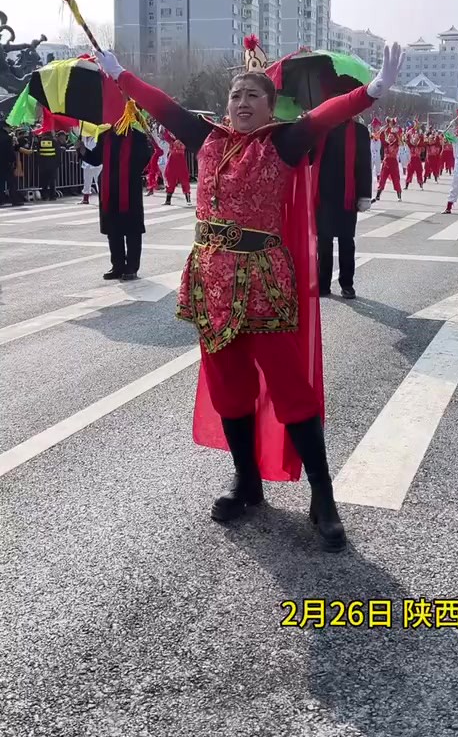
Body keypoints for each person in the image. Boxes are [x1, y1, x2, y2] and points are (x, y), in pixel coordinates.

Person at [94, 44, 400, 552]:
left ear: (270, 104)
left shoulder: (282, 143)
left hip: (262, 278)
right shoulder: (206, 139)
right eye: (235, 93)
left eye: (252, 94)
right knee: (228, 386)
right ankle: (247, 481)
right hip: (209, 279)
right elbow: (163, 105)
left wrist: (371, 93)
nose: (240, 100)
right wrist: (122, 75)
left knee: (289, 388)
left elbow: (323, 118)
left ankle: (323, 495)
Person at [77, 122, 153, 281]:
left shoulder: (137, 137)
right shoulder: (105, 136)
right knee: (113, 230)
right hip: (109, 187)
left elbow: (145, 160)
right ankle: (117, 265)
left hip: (129, 187)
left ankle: (132, 266)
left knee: (132, 230)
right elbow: (96, 159)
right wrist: (82, 149)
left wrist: (148, 147)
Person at [314, 114, 372, 299]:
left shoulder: (359, 131)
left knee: (347, 241)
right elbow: (308, 158)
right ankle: (323, 283)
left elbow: (364, 165)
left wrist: (364, 195)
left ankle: (347, 284)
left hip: (348, 194)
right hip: (322, 193)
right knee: (323, 241)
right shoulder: (319, 129)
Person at [374, 118, 402, 201]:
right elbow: (380, 134)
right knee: (382, 179)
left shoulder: (396, 143)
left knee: (396, 179)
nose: (390, 137)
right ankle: (378, 195)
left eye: (391, 136)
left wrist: (394, 131)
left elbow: (399, 139)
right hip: (386, 163)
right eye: (389, 136)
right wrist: (387, 125)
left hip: (393, 163)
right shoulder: (386, 144)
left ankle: (399, 195)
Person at [164, 133, 192, 205]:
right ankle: (168, 200)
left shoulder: (183, 137)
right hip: (172, 160)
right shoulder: (170, 136)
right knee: (170, 178)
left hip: (180, 160)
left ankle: (188, 199)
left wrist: (178, 142)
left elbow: (184, 147)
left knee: (184, 179)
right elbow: (165, 136)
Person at [32, 129, 60, 201]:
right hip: (52, 164)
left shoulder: (40, 142)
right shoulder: (54, 142)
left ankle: (44, 195)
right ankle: (52, 196)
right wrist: (58, 163)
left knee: (44, 181)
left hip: (43, 164)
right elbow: (58, 153)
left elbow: (38, 153)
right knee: (52, 181)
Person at [0, 117, 20, 206]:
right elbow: (10, 151)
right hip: (6, 162)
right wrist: (13, 160)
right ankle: (14, 200)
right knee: (12, 182)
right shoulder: (7, 138)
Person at [78, 134, 102, 205]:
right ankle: (85, 199)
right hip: (86, 163)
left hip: (96, 163)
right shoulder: (84, 137)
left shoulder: (97, 136)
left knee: (98, 181)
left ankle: (101, 199)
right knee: (86, 181)